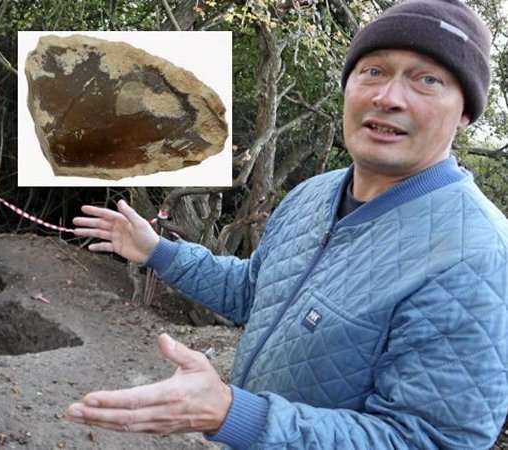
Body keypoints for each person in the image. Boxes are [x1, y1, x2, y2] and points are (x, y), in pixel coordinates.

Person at [68, 0, 508, 447]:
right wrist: (158, 252)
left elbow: (429, 440)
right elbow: (256, 292)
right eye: (373, 71)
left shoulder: (474, 254)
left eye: (427, 80)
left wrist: (235, 415)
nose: (388, 97)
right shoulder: (314, 194)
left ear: (466, 112)